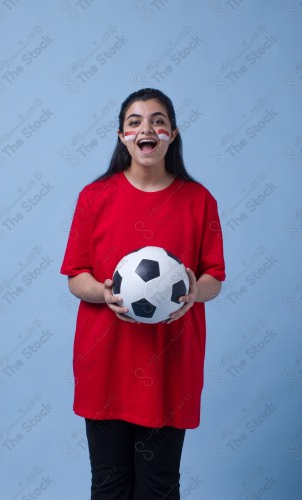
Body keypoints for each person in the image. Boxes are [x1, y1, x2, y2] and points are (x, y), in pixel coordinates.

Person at [60, 88, 226, 499]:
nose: (146, 128)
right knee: (110, 483)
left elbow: (214, 279)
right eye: (135, 121)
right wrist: (103, 292)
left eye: (157, 120)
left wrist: (191, 293)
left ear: (172, 134)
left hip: (170, 366)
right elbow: (74, 275)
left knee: (159, 486)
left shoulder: (199, 201)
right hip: (106, 364)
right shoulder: (94, 197)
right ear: (122, 136)